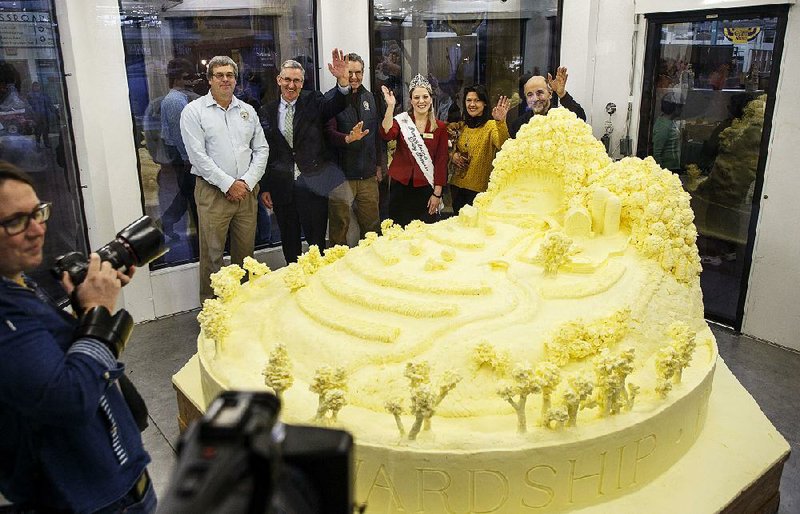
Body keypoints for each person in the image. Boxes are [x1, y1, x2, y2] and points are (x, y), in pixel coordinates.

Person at [0, 162, 155, 513]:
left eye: (38, 213)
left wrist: (83, 306)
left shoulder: (16, 282)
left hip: (113, 483)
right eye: (15, 221)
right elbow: (67, 398)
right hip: (93, 501)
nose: (37, 229)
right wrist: (97, 313)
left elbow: (40, 363)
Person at [180, 55, 269, 300]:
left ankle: (242, 307)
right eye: (219, 75)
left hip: (246, 193)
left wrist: (247, 182)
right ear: (209, 80)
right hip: (212, 193)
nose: (225, 79)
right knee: (212, 255)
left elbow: (261, 149)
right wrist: (228, 184)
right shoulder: (194, 112)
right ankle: (213, 313)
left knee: (246, 255)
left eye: (230, 75)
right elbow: (197, 157)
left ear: (235, 79)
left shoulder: (247, 111)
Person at [258, 49, 351, 264]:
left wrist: (343, 83)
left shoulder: (314, 101)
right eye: (287, 80)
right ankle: (296, 283)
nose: (292, 85)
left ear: (303, 82)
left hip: (313, 186)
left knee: (316, 244)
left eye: (297, 81)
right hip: (283, 189)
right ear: (279, 80)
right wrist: (265, 187)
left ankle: (316, 287)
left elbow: (335, 104)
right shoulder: (266, 111)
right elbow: (265, 152)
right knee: (289, 244)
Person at [324, 53, 382, 246]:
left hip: (368, 177)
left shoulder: (371, 98)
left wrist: (380, 166)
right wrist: (348, 138)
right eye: (350, 72)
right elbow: (328, 134)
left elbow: (377, 135)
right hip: (341, 177)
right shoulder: (330, 99)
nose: (354, 77)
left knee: (372, 229)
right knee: (339, 230)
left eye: (358, 72)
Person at [379, 73, 448, 227]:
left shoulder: (440, 128)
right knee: (398, 231)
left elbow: (441, 161)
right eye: (416, 97)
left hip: (425, 187)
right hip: (400, 186)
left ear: (431, 99)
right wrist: (390, 107)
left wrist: (437, 193)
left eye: (425, 97)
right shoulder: (402, 121)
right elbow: (386, 133)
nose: (421, 101)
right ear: (411, 100)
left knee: (424, 234)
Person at [448, 85, 510, 214]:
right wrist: (452, 156)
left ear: (485, 103)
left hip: (478, 191)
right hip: (456, 187)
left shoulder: (491, 125)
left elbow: (504, 146)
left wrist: (500, 122)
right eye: (468, 100)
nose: (472, 104)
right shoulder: (461, 125)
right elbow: (445, 146)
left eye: (477, 100)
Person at [159, 59, 199, 242]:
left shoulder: (182, 98)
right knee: (191, 195)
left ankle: (167, 222)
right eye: (186, 77)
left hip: (183, 155)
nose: (190, 81)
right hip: (182, 155)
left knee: (188, 193)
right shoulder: (175, 101)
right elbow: (180, 134)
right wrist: (189, 158)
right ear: (176, 79)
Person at [509, 66, 586, 138]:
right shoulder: (519, 125)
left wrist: (562, 94)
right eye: (530, 95)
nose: (535, 99)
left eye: (539, 93)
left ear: (550, 94)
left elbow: (581, 118)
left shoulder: (561, 116)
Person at [26, 81, 53, 148]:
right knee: (37, 131)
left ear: (39, 87)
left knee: (46, 130)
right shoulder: (29, 95)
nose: (36, 87)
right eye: (34, 86)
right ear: (32, 87)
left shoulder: (44, 94)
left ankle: (46, 143)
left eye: (37, 86)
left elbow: (49, 104)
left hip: (44, 116)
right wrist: (30, 116)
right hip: (36, 116)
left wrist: (54, 111)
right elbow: (28, 106)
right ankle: (37, 144)